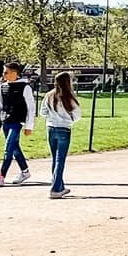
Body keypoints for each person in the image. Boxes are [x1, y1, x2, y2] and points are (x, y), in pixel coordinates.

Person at [0, 60, 35, 186]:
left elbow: (31, 107)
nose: (4, 75)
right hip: (6, 121)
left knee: (8, 148)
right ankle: (25, 171)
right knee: (14, 148)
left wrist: (29, 126)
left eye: (6, 72)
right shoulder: (3, 86)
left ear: (15, 73)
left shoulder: (25, 87)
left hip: (17, 121)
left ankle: (1, 176)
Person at [41, 71, 81, 199]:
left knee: (55, 159)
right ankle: (56, 188)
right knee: (60, 160)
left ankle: (59, 185)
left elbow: (43, 112)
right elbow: (77, 116)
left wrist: (52, 117)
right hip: (64, 129)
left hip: (51, 128)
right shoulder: (70, 97)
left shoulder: (49, 96)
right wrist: (67, 120)